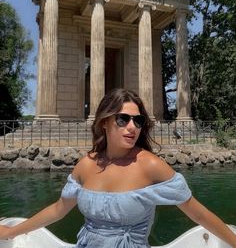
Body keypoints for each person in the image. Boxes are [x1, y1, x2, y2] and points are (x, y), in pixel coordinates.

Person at [0, 88, 235, 247]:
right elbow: (58, 210)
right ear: (104, 122)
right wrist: (11, 232)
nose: (132, 127)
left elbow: (198, 213)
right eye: (123, 119)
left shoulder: (150, 165)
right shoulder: (86, 164)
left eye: (138, 120)